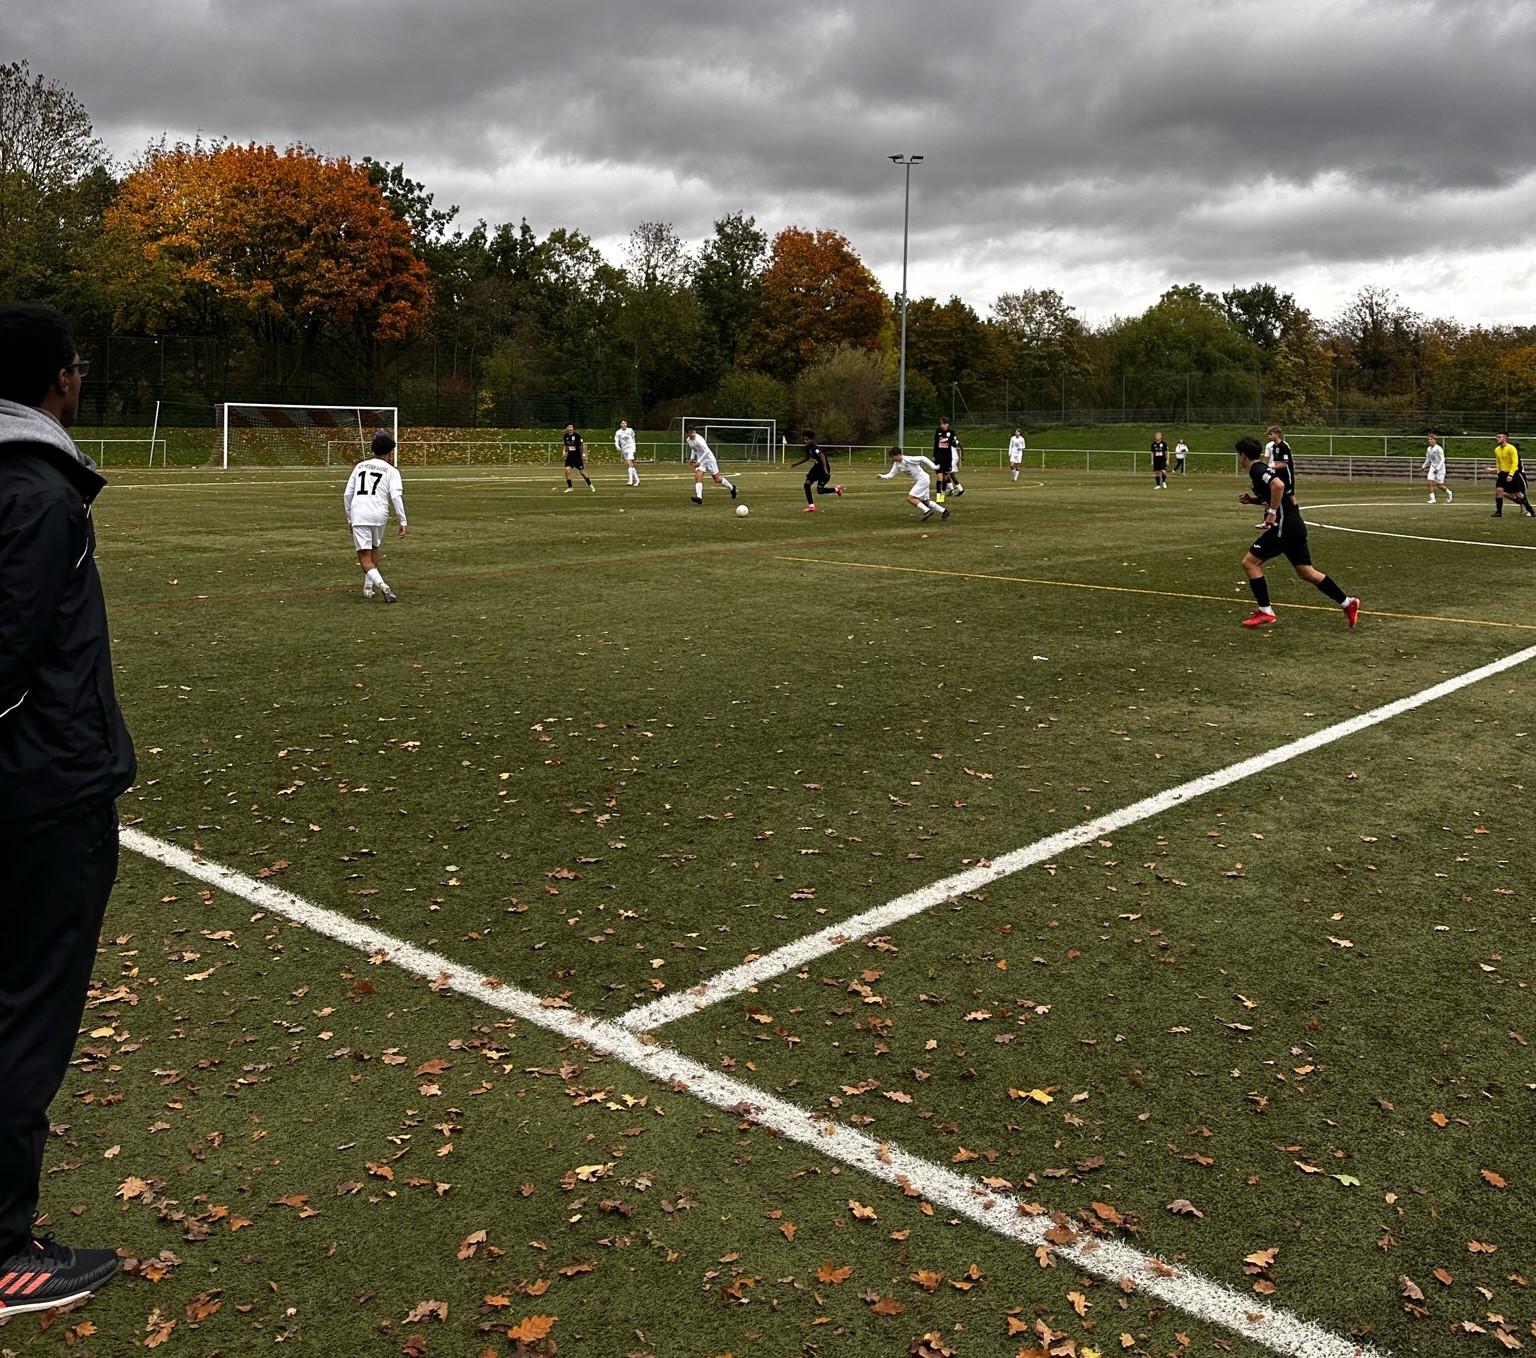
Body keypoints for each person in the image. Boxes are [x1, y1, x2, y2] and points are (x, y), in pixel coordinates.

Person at [0, 303, 134, 1317]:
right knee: (28, 1012)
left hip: (36, 784)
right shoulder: (38, 496)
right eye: (76, 365)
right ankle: (6, 1247)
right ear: (56, 379)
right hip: (42, 797)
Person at [1235, 435, 1359, 629]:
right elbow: (1275, 492)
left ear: (1242, 455)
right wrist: (1252, 500)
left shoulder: (1257, 470)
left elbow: (1279, 486)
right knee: (1306, 572)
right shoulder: (1260, 470)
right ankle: (1348, 603)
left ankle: (1265, 611)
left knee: (1250, 563)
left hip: (1285, 525)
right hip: (1294, 525)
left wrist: (1272, 514)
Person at [343, 429, 408, 602]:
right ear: (390, 452)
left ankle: (383, 586)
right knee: (374, 548)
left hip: (360, 512)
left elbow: (347, 495)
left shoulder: (360, 466)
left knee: (365, 557)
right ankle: (368, 587)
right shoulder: (392, 471)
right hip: (379, 514)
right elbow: (395, 496)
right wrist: (403, 520)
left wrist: (350, 518)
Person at [879, 446, 947, 521]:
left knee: (910, 498)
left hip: (923, 479)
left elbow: (923, 458)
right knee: (925, 501)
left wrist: (934, 467)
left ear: (898, 455)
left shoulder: (908, 459)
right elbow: (891, 475)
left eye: (893, 456)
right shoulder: (897, 464)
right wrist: (882, 476)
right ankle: (944, 511)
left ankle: (927, 511)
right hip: (921, 480)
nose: (892, 458)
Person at [789, 429, 842, 511]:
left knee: (820, 491)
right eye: (804, 439)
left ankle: (836, 489)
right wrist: (797, 464)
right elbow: (807, 457)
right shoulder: (808, 447)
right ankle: (811, 506)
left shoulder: (815, 448)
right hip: (816, 468)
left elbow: (822, 456)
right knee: (807, 484)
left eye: (807, 439)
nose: (805, 441)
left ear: (811, 439)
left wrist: (825, 470)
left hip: (823, 470)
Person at [685, 426, 736, 503]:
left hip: (709, 459)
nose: (692, 434)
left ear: (695, 431)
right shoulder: (689, 440)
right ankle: (699, 498)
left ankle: (732, 488)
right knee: (697, 477)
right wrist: (692, 458)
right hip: (701, 460)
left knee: (717, 479)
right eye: (690, 432)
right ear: (688, 433)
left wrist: (699, 461)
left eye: (693, 432)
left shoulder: (699, 440)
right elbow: (693, 448)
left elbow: (707, 451)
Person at [1489, 433, 1533, 517]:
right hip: (1502, 474)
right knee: (1499, 491)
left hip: (1516, 474)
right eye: (1496, 437)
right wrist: (1498, 471)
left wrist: (1511, 474)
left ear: (1505, 438)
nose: (1496, 438)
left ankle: (1530, 509)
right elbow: (1500, 462)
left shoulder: (1511, 449)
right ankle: (1499, 512)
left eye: (1499, 437)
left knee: (1519, 494)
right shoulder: (1497, 450)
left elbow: (1515, 464)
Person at [932, 417, 963, 501]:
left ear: (947, 424)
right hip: (939, 457)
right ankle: (938, 495)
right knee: (939, 476)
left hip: (948, 457)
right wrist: (934, 456)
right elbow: (935, 444)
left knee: (946, 477)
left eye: (943, 424)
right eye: (941, 424)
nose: (942, 425)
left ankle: (943, 493)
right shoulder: (938, 431)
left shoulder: (951, 432)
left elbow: (954, 443)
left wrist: (951, 442)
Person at [562, 422, 594, 492]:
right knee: (567, 470)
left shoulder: (577, 436)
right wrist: (564, 451)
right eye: (569, 427)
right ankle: (570, 487)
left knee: (582, 472)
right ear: (566, 428)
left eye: (571, 427)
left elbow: (583, 445)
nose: (570, 428)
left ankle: (590, 484)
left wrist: (584, 455)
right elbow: (566, 445)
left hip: (577, 457)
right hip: (570, 457)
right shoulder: (565, 436)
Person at [1421, 433, 1451, 504]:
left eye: (1431, 439)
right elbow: (1428, 459)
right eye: (1429, 439)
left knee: (1440, 485)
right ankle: (1433, 499)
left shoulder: (1439, 448)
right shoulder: (1428, 449)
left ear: (1435, 440)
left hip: (1440, 468)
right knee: (1429, 482)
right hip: (1432, 467)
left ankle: (1449, 492)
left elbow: (1442, 459)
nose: (1429, 441)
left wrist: (1438, 468)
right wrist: (1423, 466)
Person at [615, 418, 638, 487]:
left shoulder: (630, 430)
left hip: (631, 448)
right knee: (629, 464)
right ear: (620, 424)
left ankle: (630, 480)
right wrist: (618, 447)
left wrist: (634, 446)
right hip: (624, 449)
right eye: (622, 423)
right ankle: (637, 479)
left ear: (626, 424)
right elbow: (616, 441)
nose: (624, 424)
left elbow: (633, 438)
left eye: (625, 423)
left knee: (629, 462)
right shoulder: (618, 432)